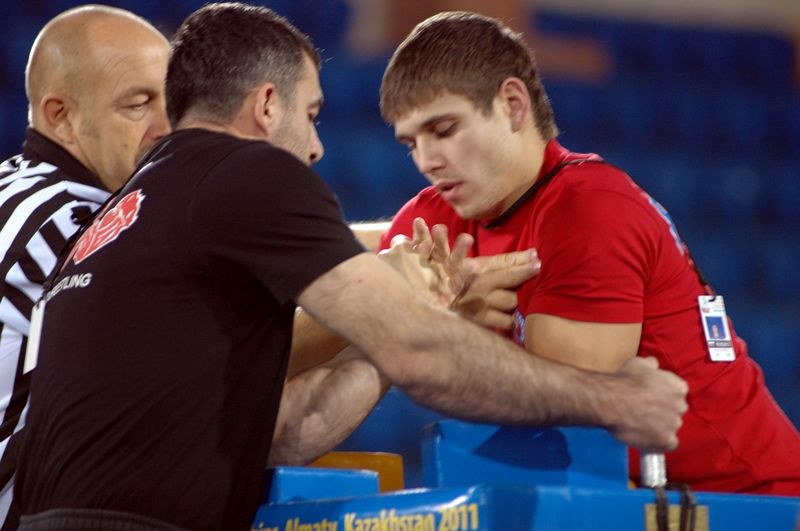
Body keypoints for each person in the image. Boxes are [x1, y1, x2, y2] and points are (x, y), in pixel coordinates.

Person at [15, 4, 687, 530]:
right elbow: (423, 354)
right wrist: (617, 400)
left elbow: (286, 431)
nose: (314, 146)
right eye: (310, 114)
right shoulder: (250, 171)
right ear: (267, 104)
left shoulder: (135, 201)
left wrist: (400, 331)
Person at [376, 11, 800, 495]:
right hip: (631, 499)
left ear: (513, 105)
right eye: (411, 143)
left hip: (750, 501)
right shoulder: (434, 220)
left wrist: (432, 327)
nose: (426, 162)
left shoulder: (591, 209)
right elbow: (354, 324)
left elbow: (561, 406)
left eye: (445, 129)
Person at [0, 5, 170, 529]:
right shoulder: (68, 224)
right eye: (139, 104)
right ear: (60, 116)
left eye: (175, 100)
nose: (169, 127)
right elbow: (191, 361)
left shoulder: (24, 189)